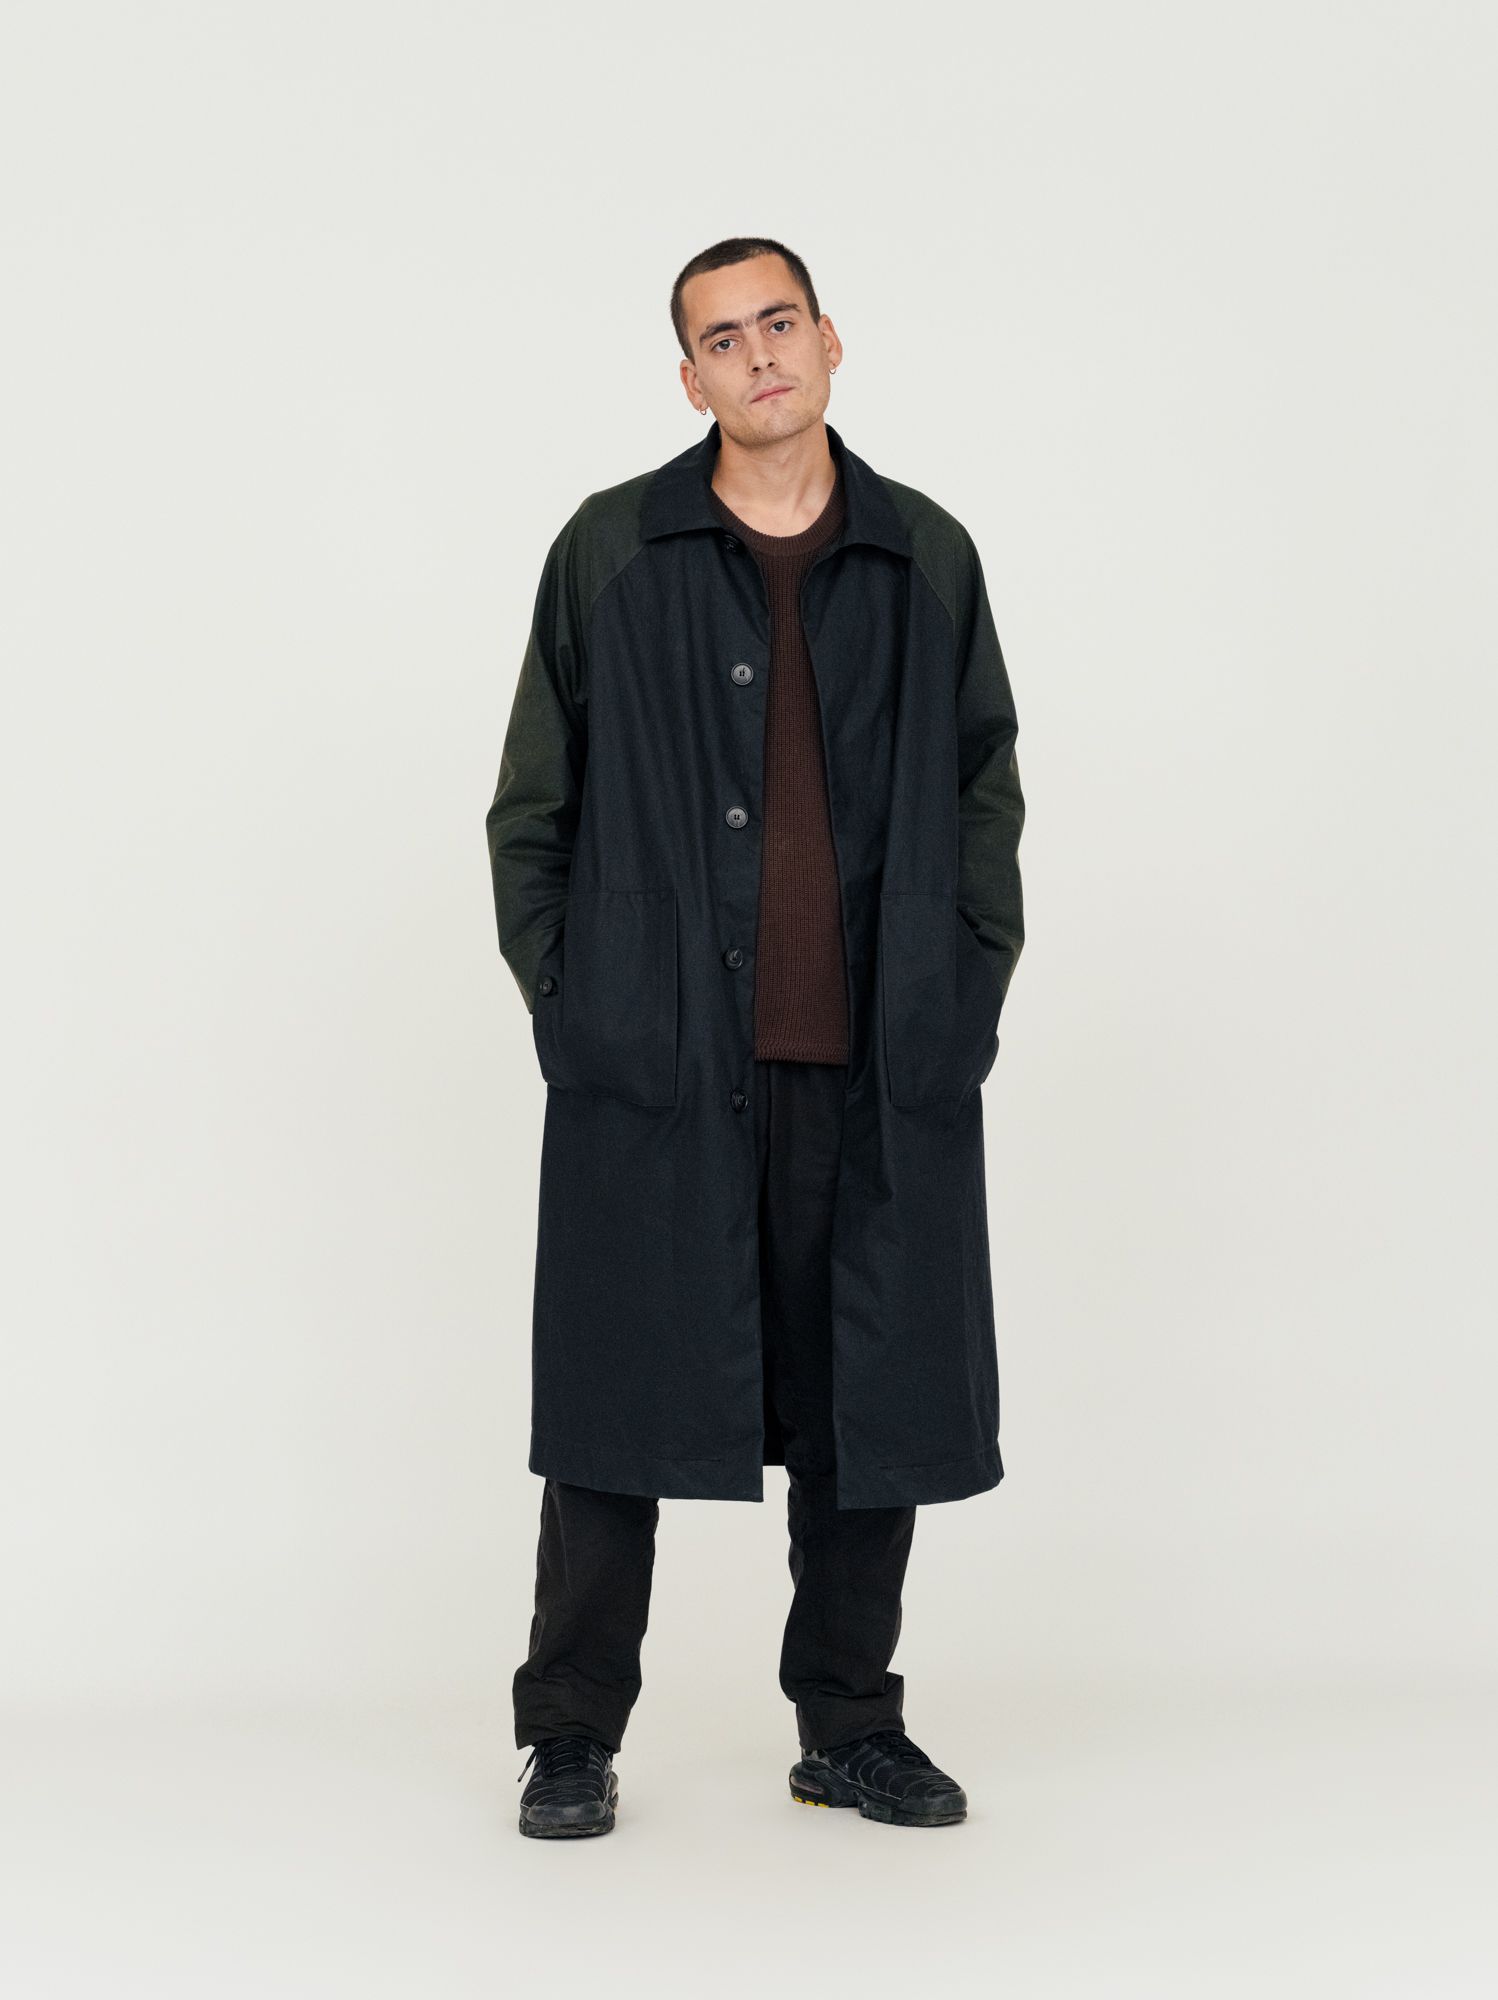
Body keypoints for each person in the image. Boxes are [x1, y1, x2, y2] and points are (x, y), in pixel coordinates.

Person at [486, 236, 1025, 1839]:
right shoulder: (612, 550)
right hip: (657, 1065)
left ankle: (850, 1724)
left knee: (871, 1407)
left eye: (779, 322)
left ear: (831, 341)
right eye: (722, 339)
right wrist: (576, 1002)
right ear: (691, 379)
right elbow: (532, 807)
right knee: (613, 1410)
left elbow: (984, 788)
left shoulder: (925, 555)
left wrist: (963, 989)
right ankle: (570, 1733)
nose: (759, 355)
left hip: (873, 1060)